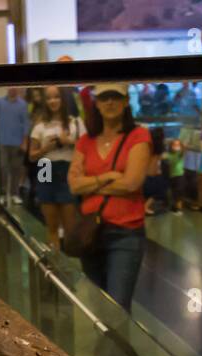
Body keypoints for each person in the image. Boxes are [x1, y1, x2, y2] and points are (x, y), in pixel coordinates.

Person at [67, 84, 152, 311]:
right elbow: (73, 185)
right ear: (96, 103)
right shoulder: (86, 140)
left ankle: (114, 348)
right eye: (104, 98)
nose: (110, 102)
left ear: (126, 101)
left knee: (117, 307)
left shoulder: (138, 135)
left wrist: (90, 184)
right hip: (88, 229)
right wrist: (108, 177)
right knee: (98, 305)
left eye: (116, 97)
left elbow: (132, 183)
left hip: (124, 232)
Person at [29, 86, 83, 249]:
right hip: (45, 167)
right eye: (49, 98)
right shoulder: (40, 126)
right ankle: (55, 261)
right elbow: (32, 155)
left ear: (63, 99)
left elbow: (86, 148)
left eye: (57, 97)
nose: (53, 101)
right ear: (45, 102)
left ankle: (70, 263)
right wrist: (46, 148)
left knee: (70, 226)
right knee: (51, 224)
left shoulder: (76, 123)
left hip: (67, 167)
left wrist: (68, 142)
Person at [0, 88, 31, 204]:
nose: (12, 88)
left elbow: (26, 124)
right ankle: (2, 193)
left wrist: (25, 142)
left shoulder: (23, 105)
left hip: (17, 142)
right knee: (3, 168)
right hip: (2, 141)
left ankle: (14, 194)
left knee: (16, 169)